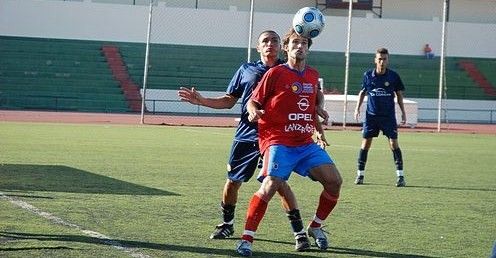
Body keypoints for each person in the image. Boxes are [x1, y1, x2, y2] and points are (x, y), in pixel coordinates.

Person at [177, 30, 329, 242]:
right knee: (233, 181)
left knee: (279, 184)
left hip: (278, 136)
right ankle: (227, 224)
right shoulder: (246, 69)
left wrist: (317, 126)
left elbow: (313, 96)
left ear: (281, 46)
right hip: (247, 135)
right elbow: (230, 100)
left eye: (274, 40)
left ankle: (299, 232)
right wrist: (202, 101)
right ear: (258, 47)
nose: (270, 44)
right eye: (265, 41)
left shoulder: (289, 69)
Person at [235, 28, 342, 256]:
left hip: (304, 142)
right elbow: (252, 101)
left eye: (304, 43)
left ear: (308, 49)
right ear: (286, 48)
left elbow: (312, 100)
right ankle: (246, 240)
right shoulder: (276, 73)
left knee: (334, 182)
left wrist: (319, 117)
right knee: (271, 184)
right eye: (295, 43)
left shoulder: (312, 75)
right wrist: (253, 111)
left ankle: (315, 227)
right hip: (278, 141)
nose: (299, 46)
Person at [353, 47, 407, 187]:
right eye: (380, 59)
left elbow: (399, 96)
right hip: (371, 116)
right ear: (375, 60)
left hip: (388, 117)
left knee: (393, 144)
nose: (382, 62)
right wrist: (357, 108)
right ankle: (360, 175)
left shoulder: (393, 76)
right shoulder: (368, 75)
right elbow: (362, 93)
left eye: (384, 59)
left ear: (388, 60)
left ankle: (400, 176)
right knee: (366, 144)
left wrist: (403, 112)